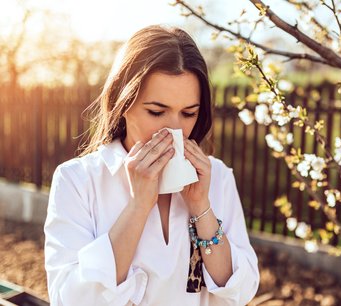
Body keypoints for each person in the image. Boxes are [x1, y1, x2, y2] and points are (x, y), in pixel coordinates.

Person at [43, 25, 260, 306]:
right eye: (156, 112)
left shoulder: (216, 176)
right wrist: (137, 207)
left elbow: (241, 291)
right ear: (123, 103)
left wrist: (201, 208)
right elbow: (69, 299)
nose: (174, 130)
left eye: (188, 113)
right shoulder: (78, 180)